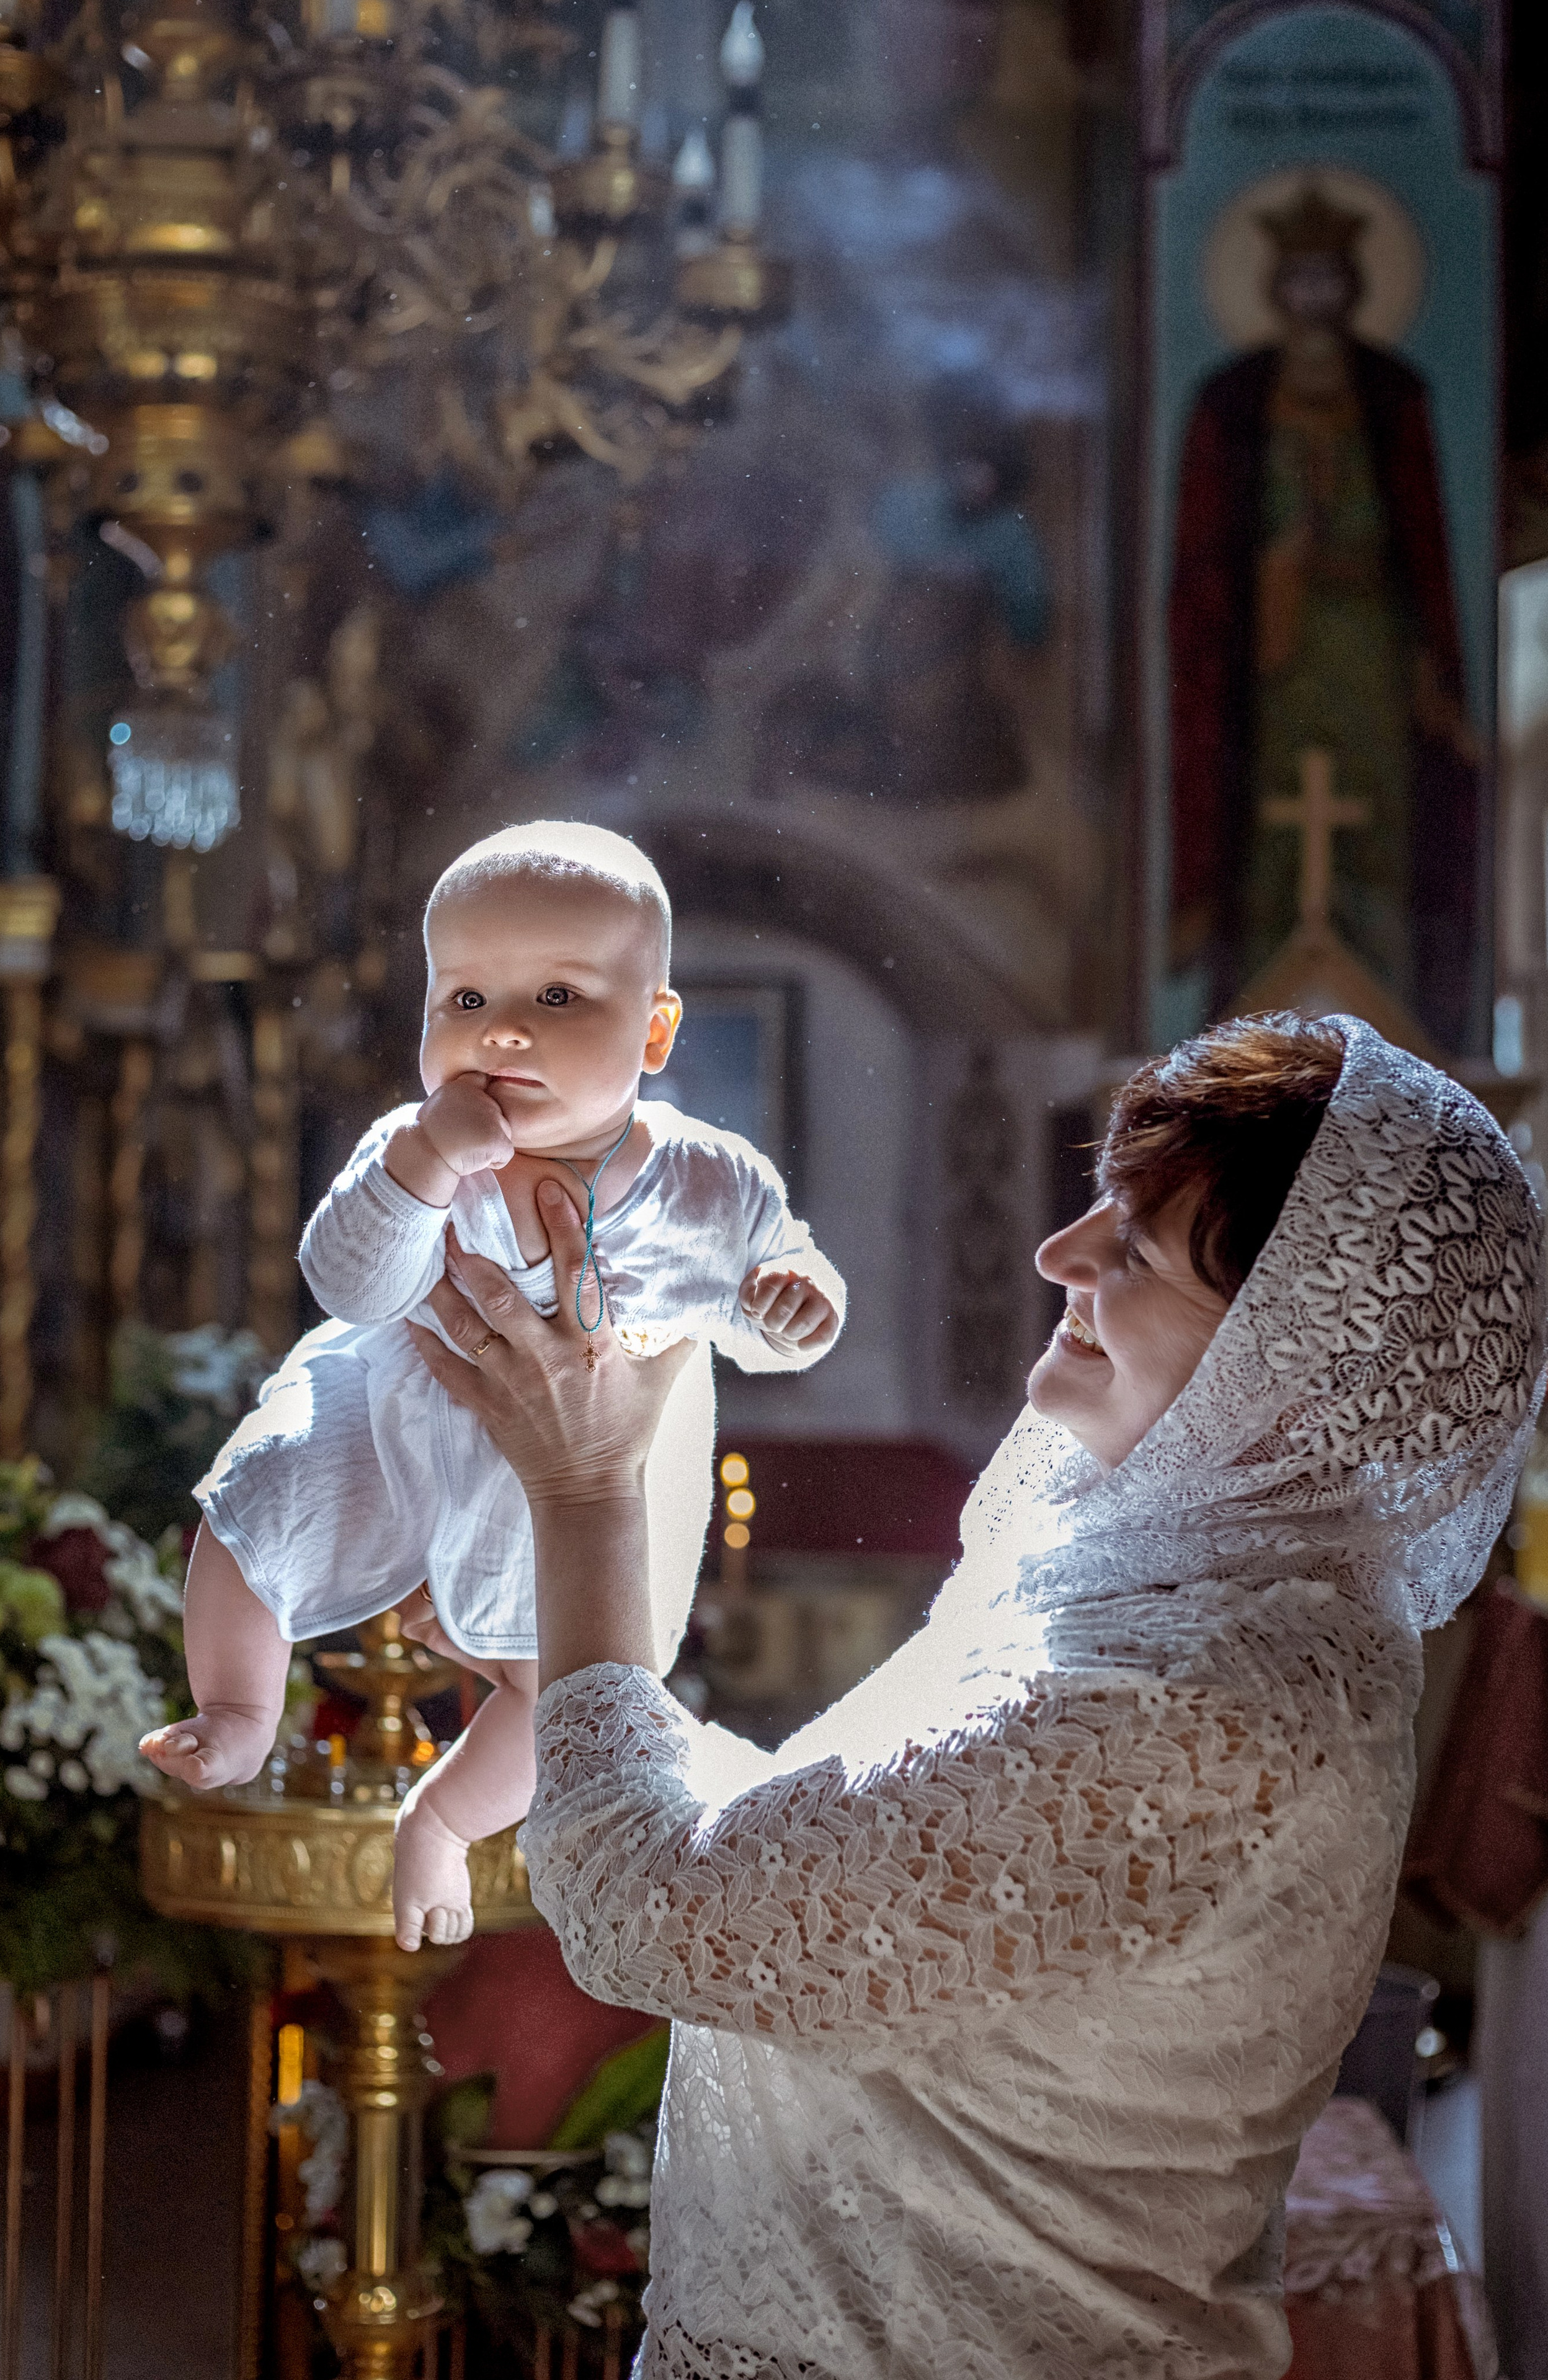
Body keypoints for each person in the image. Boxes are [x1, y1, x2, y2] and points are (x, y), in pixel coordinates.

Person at [408, 1011, 1543, 2379]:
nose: (1056, 1255)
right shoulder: (1162, 1591)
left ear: (1292, 1365)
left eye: (1130, 1247)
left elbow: (663, 1911)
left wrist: (585, 1499)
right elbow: (833, 1846)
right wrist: (570, 1682)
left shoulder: (1203, 1701)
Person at [140, 820, 843, 1954]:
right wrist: (424, 1162)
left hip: (562, 1475)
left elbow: (772, 1305)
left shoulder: (707, 1180)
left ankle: (443, 1818)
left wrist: (792, 1300)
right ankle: (238, 1705)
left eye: (559, 998)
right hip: (391, 1399)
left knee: (555, 1686)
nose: (501, 1030)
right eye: (463, 1000)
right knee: (249, 1513)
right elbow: (348, 1285)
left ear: (656, 1029)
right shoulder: (413, 1146)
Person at [1168, 185, 1477, 1047]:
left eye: (1326, 279)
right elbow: (1204, 566)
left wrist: (1428, 666)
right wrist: (1275, 570)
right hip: (1271, 666)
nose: (1311, 299)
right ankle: (1255, 1037)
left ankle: (1397, 1025)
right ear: (1271, 286)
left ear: (1349, 285)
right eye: (1294, 280)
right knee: (1271, 831)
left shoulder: (1390, 394)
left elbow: (1421, 546)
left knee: (1375, 830)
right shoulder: (1233, 399)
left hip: (1370, 659)